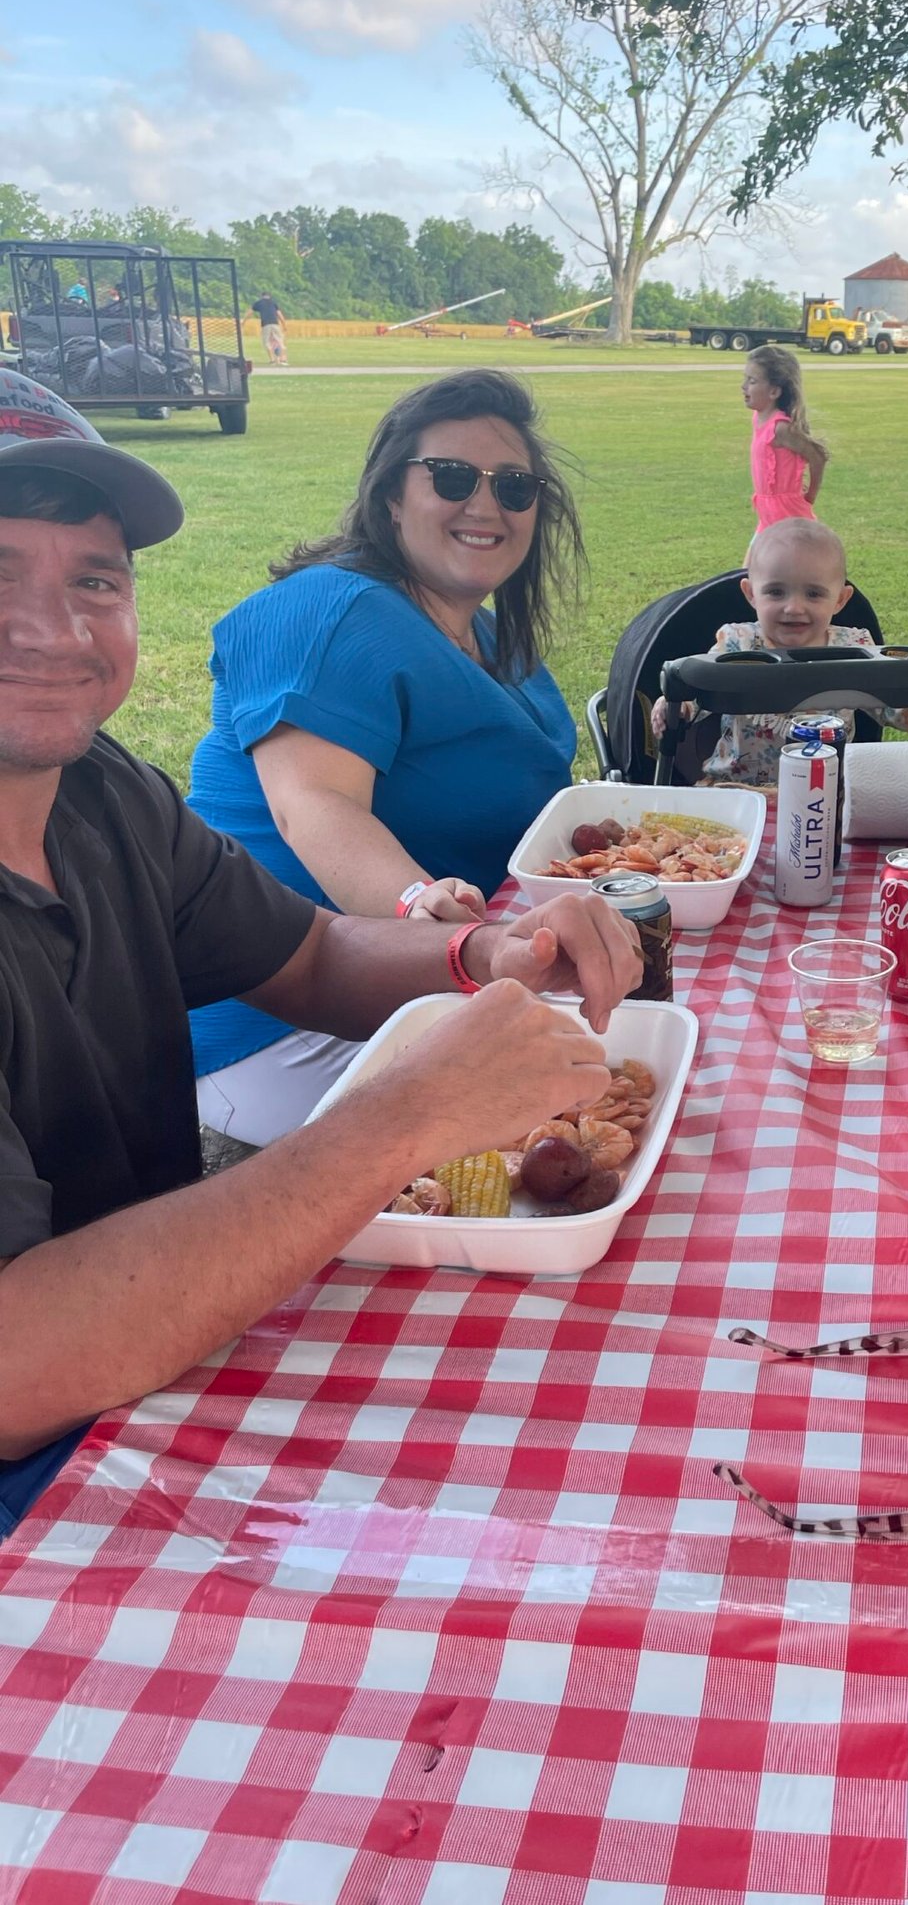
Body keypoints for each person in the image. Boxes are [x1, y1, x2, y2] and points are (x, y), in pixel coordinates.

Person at [0, 372, 641, 1530]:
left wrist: (488, 955)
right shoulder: (336, 614)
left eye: (94, 579)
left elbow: (303, 959)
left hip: (159, 1356)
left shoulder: (102, 798)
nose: (56, 628)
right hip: (50, 1488)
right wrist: (400, 1115)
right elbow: (15, 1372)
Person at [187, 369, 585, 1145]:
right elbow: (312, 805)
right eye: (451, 476)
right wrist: (414, 904)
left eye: (513, 485)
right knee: (571, 1113)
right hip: (279, 1020)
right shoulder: (330, 611)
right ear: (390, 495)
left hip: (446, 966)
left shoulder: (491, 635)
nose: (485, 504)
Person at [650, 518, 908, 787]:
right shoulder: (738, 644)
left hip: (826, 792)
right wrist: (678, 706)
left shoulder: (853, 649)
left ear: (840, 600)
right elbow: (701, 688)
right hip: (736, 788)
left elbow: (888, 699)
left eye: (814, 594)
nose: (794, 607)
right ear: (751, 594)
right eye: (776, 592)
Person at [744, 344, 827, 548]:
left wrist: (810, 496)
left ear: (774, 391)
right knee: (750, 574)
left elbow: (818, 456)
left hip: (787, 516)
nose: (743, 386)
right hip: (767, 516)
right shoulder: (758, 418)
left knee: (790, 574)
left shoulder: (781, 428)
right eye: (745, 379)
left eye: (752, 381)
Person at [252, 293, 287, 364]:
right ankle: (283, 359)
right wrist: (284, 325)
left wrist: (243, 322)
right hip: (275, 324)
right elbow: (280, 315)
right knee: (280, 341)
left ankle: (272, 360)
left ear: (262, 296)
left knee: (267, 342)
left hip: (266, 324)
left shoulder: (259, 303)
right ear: (269, 296)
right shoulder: (274, 303)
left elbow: (250, 312)